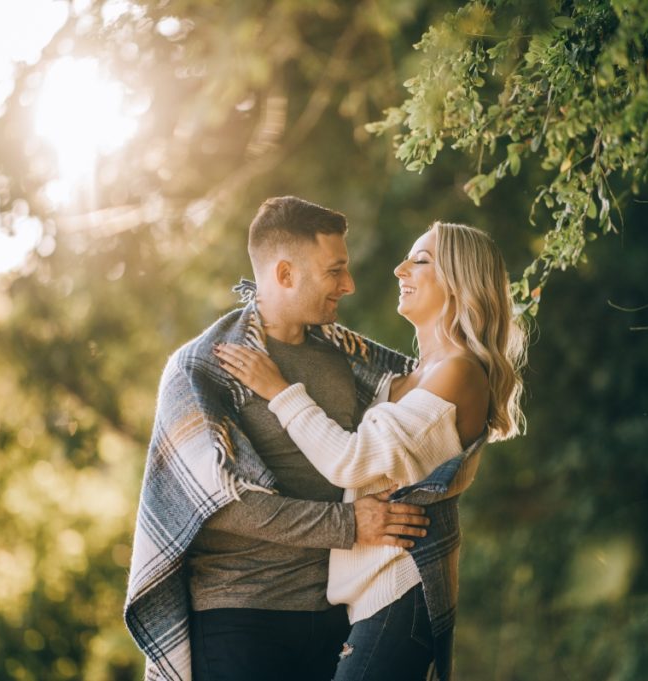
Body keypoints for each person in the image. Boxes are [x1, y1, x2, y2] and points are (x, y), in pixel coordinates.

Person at [124, 196, 434, 681]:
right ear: (286, 274)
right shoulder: (202, 370)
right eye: (335, 272)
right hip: (239, 617)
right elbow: (221, 505)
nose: (348, 286)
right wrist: (349, 524)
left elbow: (426, 397)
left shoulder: (346, 358)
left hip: (334, 613)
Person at [215, 221, 527, 680]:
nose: (400, 268)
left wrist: (277, 389)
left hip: (401, 593)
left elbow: (351, 460)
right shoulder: (404, 379)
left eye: (420, 261)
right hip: (370, 601)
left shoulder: (460, 373)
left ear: (462, 283)